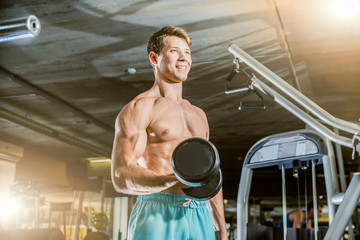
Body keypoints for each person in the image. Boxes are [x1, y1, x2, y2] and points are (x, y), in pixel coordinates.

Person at [111, 26, 228, 240]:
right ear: (154, 58)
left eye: (187, 52)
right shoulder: (140, 108)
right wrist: (175, 180)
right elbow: (121, 175)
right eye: (175, 51)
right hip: (157, 210)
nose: (183, 57)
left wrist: (222, 228)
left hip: (199, 213)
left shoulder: (199, 114)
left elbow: (211, 176)